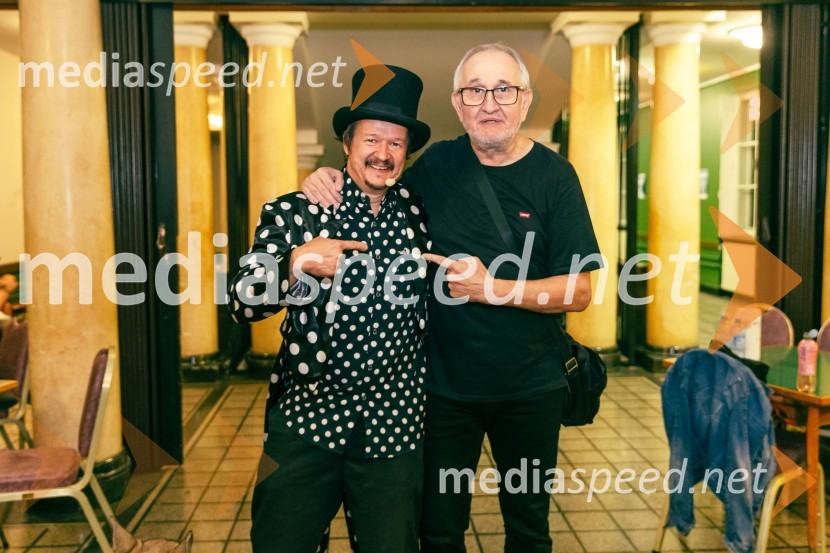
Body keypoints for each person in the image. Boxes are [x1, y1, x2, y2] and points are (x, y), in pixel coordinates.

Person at [302, 43, 603, 553]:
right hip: (443, 392)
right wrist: (326, 175)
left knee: (528, 530)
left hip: (530, 390)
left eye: (503, 89)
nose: (490, 103)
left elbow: (578, 291)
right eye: (475, 91)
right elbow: (377, 186)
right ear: (458, 104)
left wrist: (491, 288)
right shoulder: (436, 164)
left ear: (525, 100)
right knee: (439, 529)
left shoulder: (556, 177)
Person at [228, 65, 432, 553]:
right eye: (371, 139)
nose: (383, 153)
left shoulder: (422, 211)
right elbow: (241, 302)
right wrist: (295, 262)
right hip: (307, 419)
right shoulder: (296, 211)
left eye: (396, 143)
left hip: (395, 420)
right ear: (346, 144)